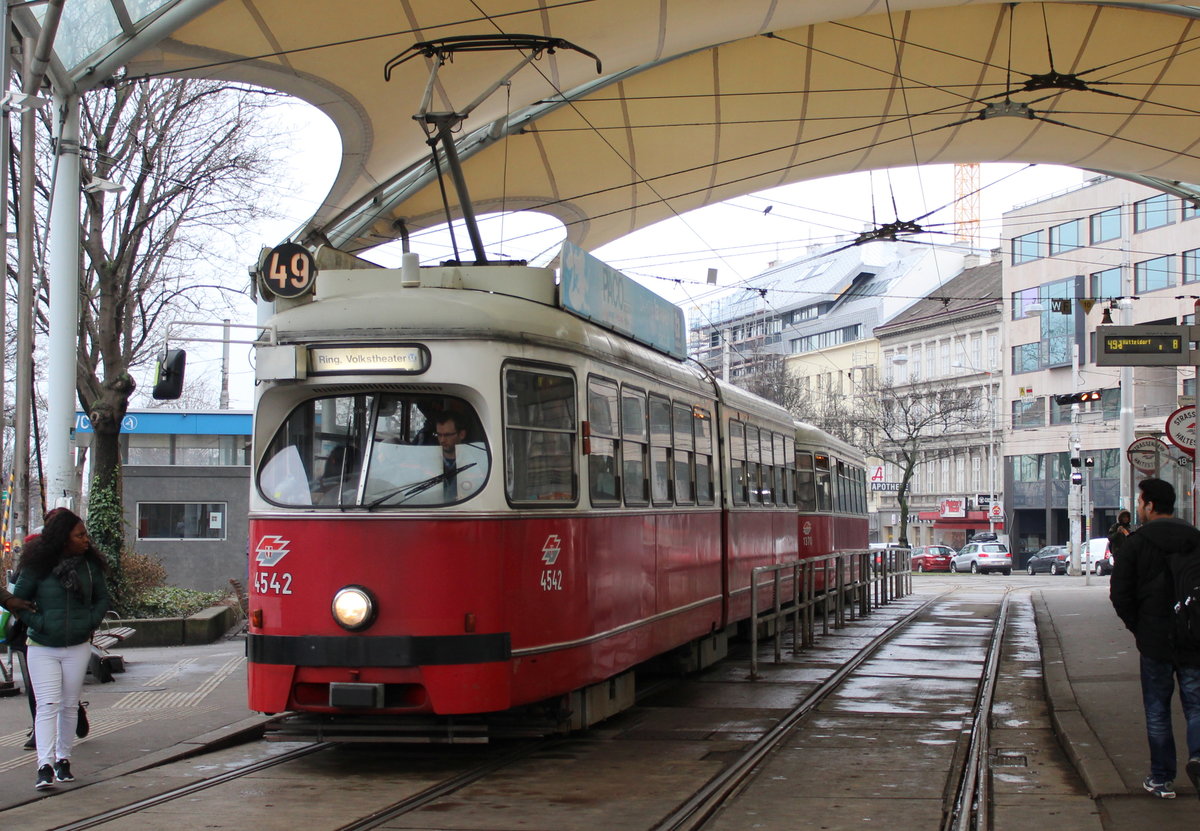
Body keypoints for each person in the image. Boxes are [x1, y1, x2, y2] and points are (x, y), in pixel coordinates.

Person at [1110, 477, 1200, 800]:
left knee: (1158, 708)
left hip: (1155, 641)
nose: (1137, 507)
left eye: (1140, 502)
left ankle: (1162, 779)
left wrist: (1139, 627)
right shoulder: (1195, 538)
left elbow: (1120, 594)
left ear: (1149, 506)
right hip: (1193, 638)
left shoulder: (1137, 542)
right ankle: (1199, 755)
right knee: (1196, 703)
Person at [13, 509, 111, 790]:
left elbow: (102, 597)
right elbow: (18, 600)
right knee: (47, 704)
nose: (85, 540)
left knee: (69, 704)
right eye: (79, 535)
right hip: (42, 646)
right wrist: (38, 622)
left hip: (77, 645)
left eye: (85, 535)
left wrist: (89, 622)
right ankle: (43, 766)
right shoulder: (37, 565)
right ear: (62, 537)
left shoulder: (89, 566)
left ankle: (63, 760)